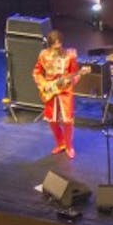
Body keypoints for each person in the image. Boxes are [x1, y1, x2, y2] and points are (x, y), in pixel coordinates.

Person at [32, 30, 81, 158]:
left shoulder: (70, 55)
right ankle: (60, 143)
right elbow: (37, 72)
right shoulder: (43, 55)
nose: (57, 48)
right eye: (54, 46)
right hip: (50, 89)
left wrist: (70, 82)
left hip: (65, 90)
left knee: (67, 120)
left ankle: (69, 146)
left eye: (59, 45)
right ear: (50, 45)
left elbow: (75, 73)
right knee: (52, 120)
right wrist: (43, 84)